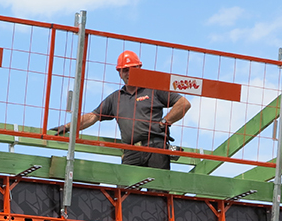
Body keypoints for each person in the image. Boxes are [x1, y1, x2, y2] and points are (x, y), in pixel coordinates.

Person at [53, 50, 192, 170]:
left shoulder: (153, 89)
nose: (129, 73)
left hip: (155, 147)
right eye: (125, 70)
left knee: (158, 194)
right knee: (124, 193)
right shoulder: (115, 98)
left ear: (140, 68)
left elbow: (183, 103)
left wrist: (164, 122)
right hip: (131, 151)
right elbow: (92, 116)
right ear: (119, 73)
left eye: (133, 68)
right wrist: (67, 127)